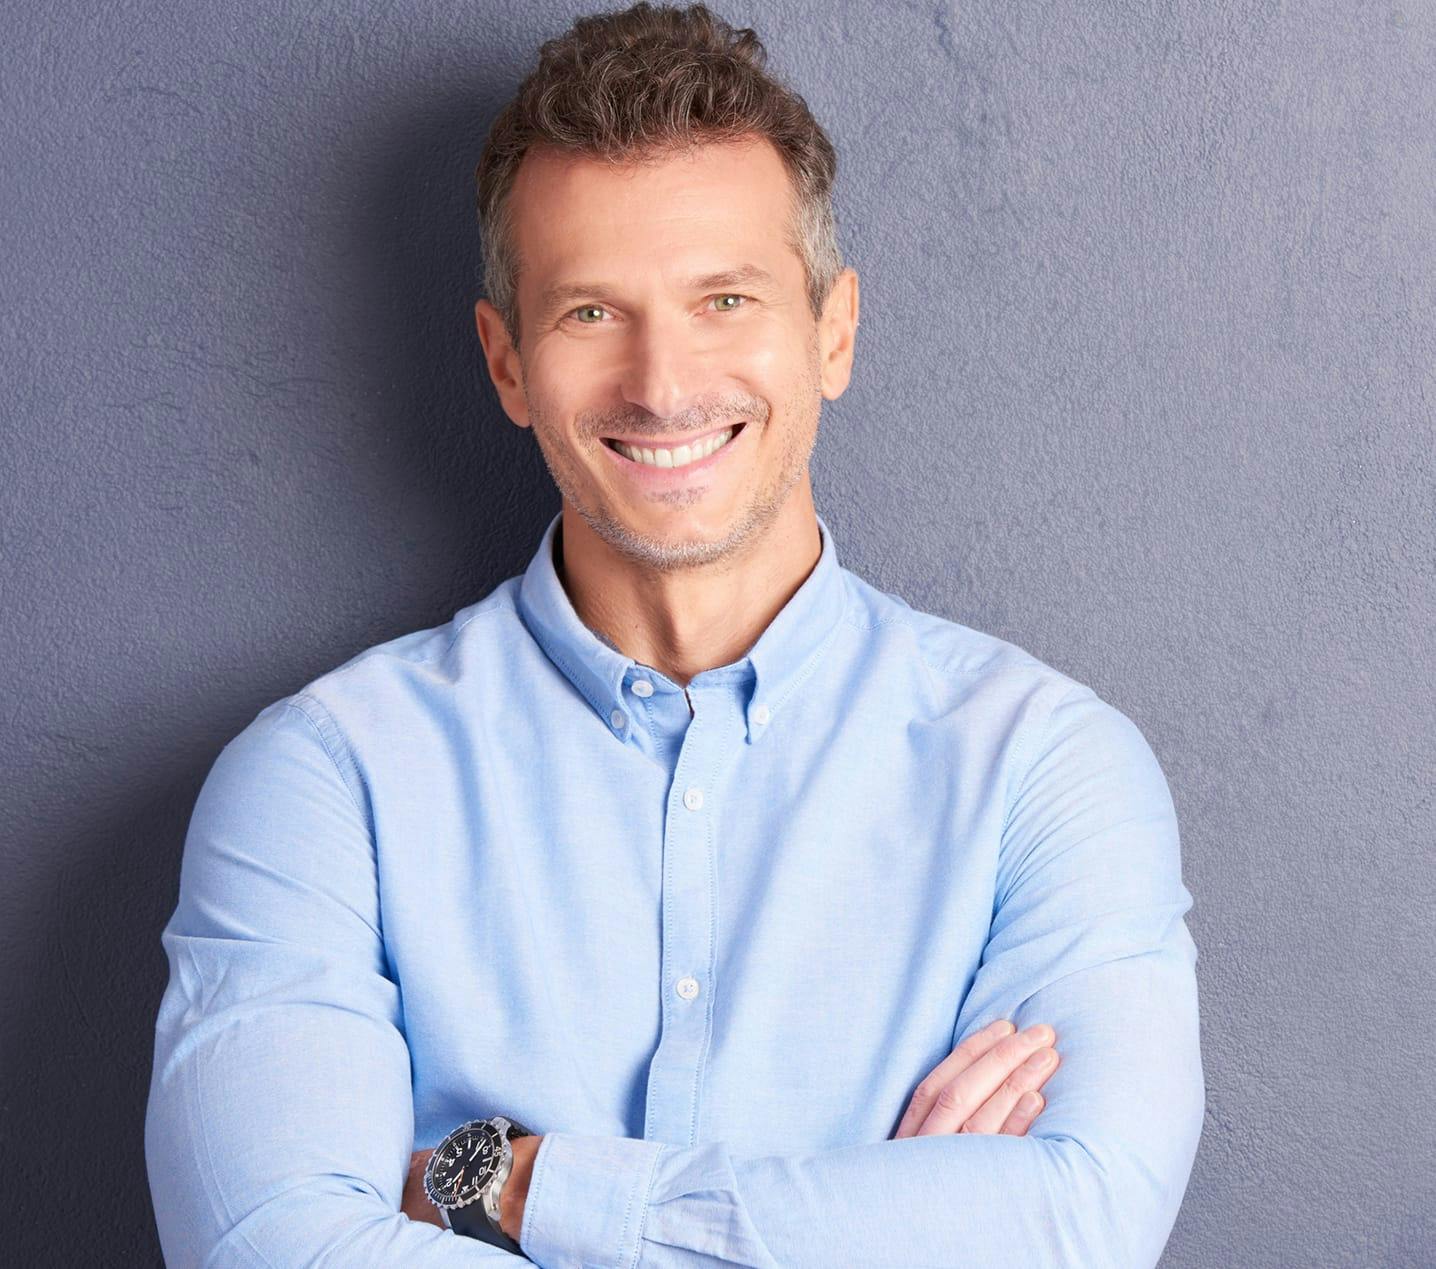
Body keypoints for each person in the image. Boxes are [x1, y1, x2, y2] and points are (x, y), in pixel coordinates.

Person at [144, 3, 1204, 1265]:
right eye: (592, 312)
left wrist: (510, 1187)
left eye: (722, 298)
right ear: (506, 362)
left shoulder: (1044, 769)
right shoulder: (326, 783)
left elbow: (1077, 1227)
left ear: (833, 330)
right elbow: (282, 1248)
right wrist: (871, 1219)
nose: (660, 383)